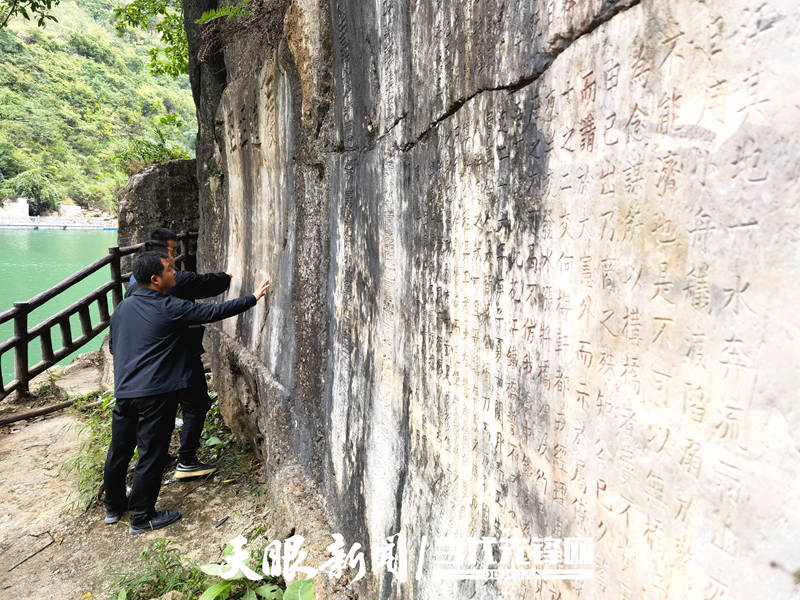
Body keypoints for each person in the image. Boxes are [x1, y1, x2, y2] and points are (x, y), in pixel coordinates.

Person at [103, 251, 269, 534]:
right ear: (155, 279)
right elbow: (213, 312)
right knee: (151, 454)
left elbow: (114, 348)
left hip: (126, 391)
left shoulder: (123, 308)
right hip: (155, 395)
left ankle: (115, 506)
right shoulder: (169, 306)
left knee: (119, 450)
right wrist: (253, 297)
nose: (175, 274)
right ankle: (142, 517)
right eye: (170, 270)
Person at [128, 230, 232, 479]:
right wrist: (232, 280)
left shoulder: (135, 285)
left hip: (150, 362)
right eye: (172, 253)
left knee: (156, 415)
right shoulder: (170, 282)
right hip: (179, 356)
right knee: (196, 403)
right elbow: (204, 287)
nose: (175, 261)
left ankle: (155, 459)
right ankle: (186, 460)